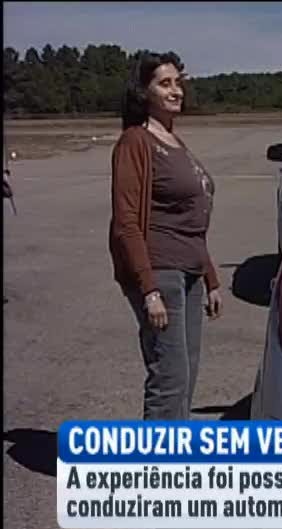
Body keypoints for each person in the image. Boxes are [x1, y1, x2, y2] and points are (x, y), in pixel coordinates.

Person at [109, 51, 222, 420]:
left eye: (178, 82)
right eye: (165, 84)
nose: (176, 91)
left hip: (190, 272)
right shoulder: (136, 142)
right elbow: (126, 221)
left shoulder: (174, 142)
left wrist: (210, 278)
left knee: (185, 376)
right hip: (161, 272)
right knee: (169, 379)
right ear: (145, 92)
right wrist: (149, 289)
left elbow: (190, 221)